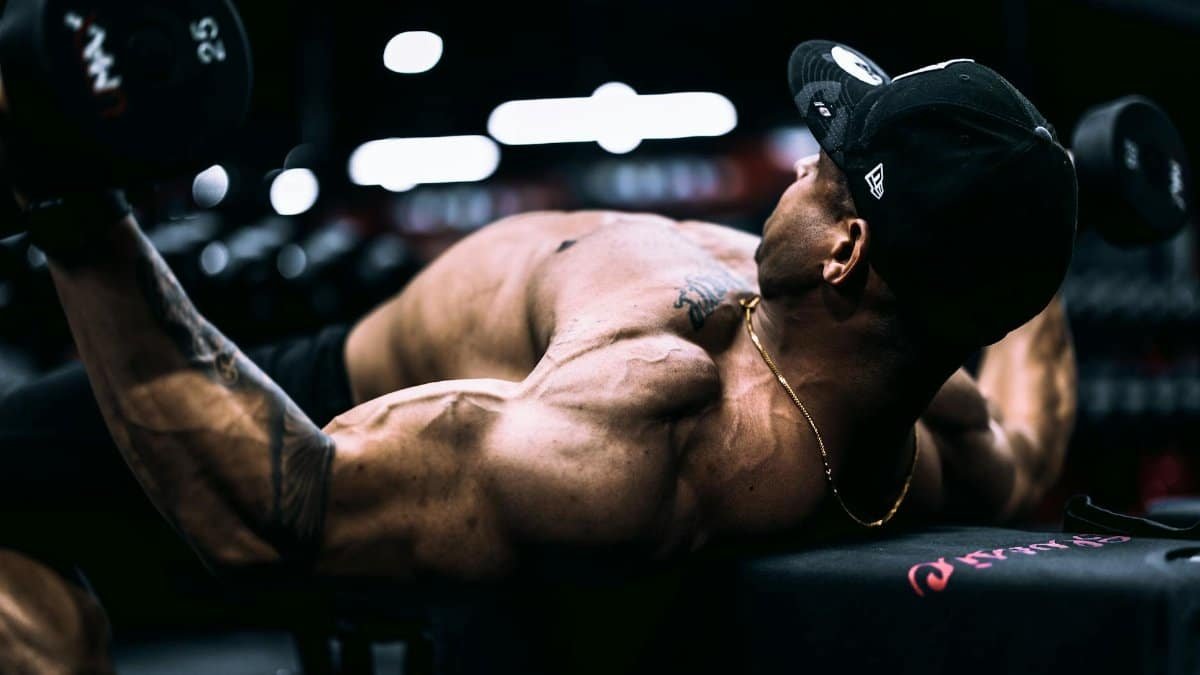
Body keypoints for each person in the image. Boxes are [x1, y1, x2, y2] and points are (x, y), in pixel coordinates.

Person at [1, 41, 1077, 583]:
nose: (797, 164)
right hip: (423, 329)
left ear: (848, 252)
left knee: (44, 629)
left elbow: (283, 504)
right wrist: (1050, 221)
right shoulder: (945, 429)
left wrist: (70, 202)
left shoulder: (643, 420)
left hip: (322, 383)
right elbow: (1028, 452)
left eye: (826, 168)